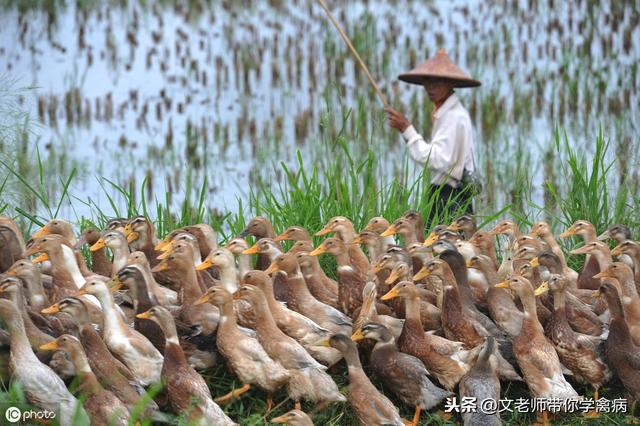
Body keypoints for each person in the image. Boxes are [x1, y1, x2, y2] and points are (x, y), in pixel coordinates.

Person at [385, 48, 480, 218]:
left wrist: (407, 130)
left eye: (437, 82)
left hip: (450, 197)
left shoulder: (454, 116)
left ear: (450, 84)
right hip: (448, 195)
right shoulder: (449, 113)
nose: (430, 87)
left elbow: (437, 159)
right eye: (427, 82)